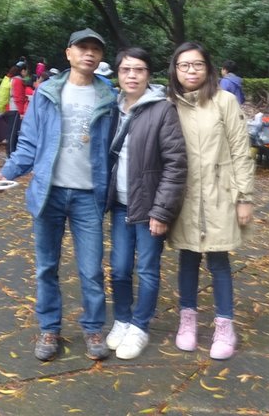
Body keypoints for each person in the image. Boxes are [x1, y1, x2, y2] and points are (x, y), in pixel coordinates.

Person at [0, 28, 117, 362]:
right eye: (82, 48)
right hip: (50, 193)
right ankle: (49, 329)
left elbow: (115, 147)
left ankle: (93, 328)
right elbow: (28, 143)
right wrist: (6, 172)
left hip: (89, 195)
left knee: (91, 269)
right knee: (46, 267)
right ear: (68, 53)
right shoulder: (47, 93)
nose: (89, 54)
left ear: (101, 57)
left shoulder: (109, 96)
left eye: (95, 49)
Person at [167, 41, 254, 360]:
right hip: (184, 195)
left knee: (219, 261)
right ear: (175, 70)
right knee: (188, 258)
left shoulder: (224, 101)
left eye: (197, 64)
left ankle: (224, 325)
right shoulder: (169, 104)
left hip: (220, 193)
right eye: (184, 65)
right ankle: (187, 320)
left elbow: (241, 151)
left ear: (208, 68)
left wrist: (244, 197)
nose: (191, 71)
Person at [105, 48, 187, 360]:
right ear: (118, 74)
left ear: (148, 74)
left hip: (150, 206)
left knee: (148, 269)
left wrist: (162, 211)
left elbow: (176, 164)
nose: (132, 75)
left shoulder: (163, 109)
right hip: (120, 205)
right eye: (125, 69)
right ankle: (122, 319)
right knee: (119, 268)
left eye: (138, 69)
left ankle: (140, 326)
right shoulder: (112, 107)